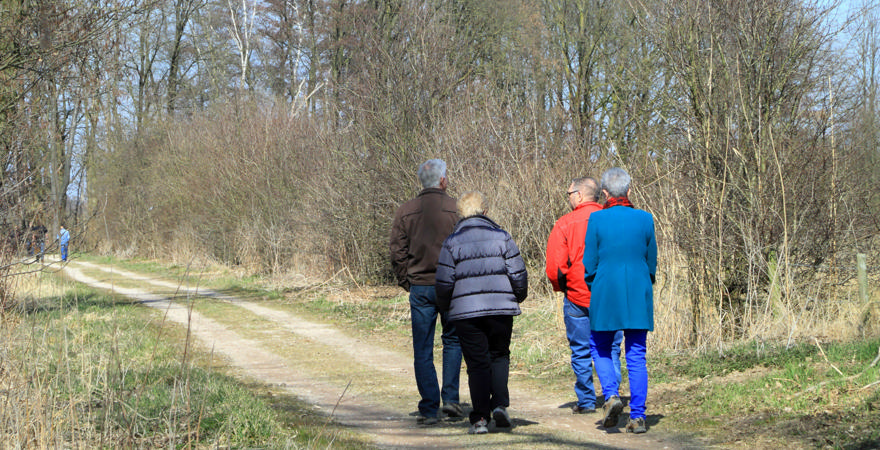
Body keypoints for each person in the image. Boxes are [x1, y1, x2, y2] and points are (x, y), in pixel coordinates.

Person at [435, 191, 528, 435]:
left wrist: (447, 306)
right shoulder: (502, 236)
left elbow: (444, 282)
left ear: (461, 215)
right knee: (499, 355)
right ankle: (499, 405)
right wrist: (517, 296)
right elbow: (518, 272)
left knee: (476, 364)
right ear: (485, 212)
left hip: (466, 313)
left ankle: (479, 420)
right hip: (500, 309)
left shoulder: (452, 242)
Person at [389, 159, 463, 425]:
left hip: (420, 286)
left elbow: (396, 251)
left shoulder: (406, 211)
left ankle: (430, 406)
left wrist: (406, 281)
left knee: (423, 349)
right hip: (452, 286)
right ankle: (451, 401)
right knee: (453, 342)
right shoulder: (456, 209)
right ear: (442, 180)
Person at [583, 167, 657, 434]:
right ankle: (638, 417)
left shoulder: (597, 220)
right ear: (629, 190)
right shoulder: (646, 219)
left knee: (600, 346)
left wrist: (596, 284)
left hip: (606, 290)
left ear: (604, 193)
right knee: (636, 354)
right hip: (638, 292)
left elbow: (589, 263)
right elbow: (651, 263)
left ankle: (612, 395)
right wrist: (643, 284)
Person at [545, 177, 623, 414]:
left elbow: (555, 267)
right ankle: (612, 394)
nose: (568, 198)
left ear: (579, 195)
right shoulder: (614, 219)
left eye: (569, 194)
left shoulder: (565, 223)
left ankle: (587, 401)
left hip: (577, 295)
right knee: (611, 347)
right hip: (610, 295)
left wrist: (563, 288)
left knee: (580, 349)